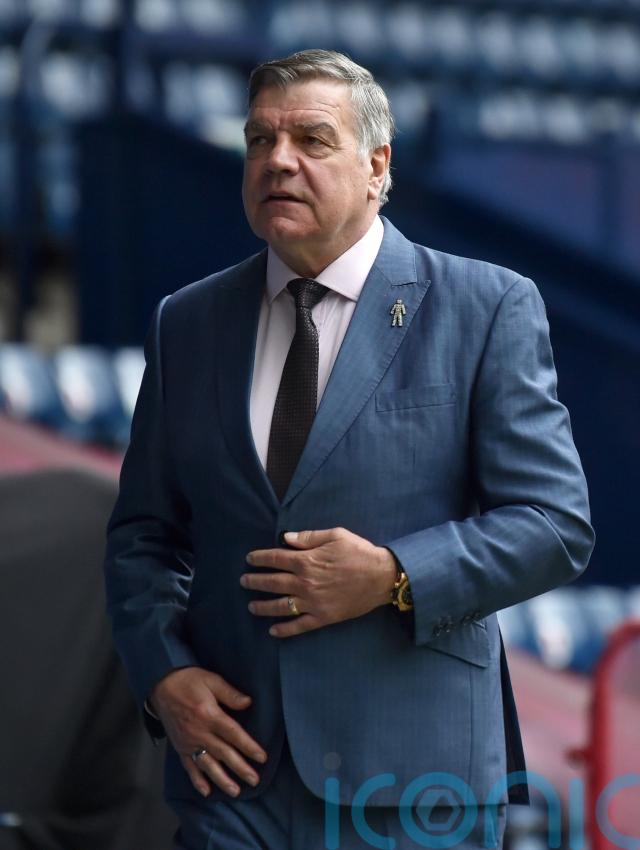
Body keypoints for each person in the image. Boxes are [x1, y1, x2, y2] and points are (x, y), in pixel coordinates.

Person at [103, 49, 595, 850]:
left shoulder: (485, 306)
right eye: (260, 139)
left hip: (415, 781)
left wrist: (394, 576)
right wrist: (164, 674)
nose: (278, 160)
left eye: (311, 139)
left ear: (376, 166)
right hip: (234, 778)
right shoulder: (185, 322)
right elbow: (144, 538)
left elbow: (554, 525)